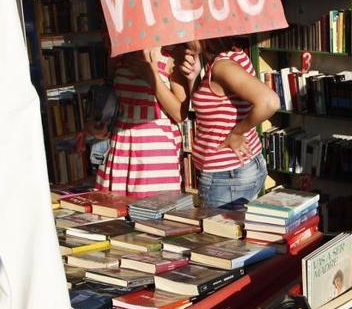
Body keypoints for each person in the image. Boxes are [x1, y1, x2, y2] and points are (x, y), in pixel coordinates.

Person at [187, 37, 280, 208]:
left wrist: (236, 133)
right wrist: (195, 77)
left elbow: (269, 102)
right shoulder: (235, 56)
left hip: (227, 176)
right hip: (239, 169)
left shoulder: (223, 67)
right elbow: (215, 108)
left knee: (218, 234)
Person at [95, 47, 194, 198]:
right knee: (118, 209)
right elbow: (110, 99)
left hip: (155, 149)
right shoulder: (119, 55)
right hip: (121, 143)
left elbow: (179, 113)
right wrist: (99, 124)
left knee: (154, 211)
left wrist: (151, 75)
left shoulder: (171, 56)